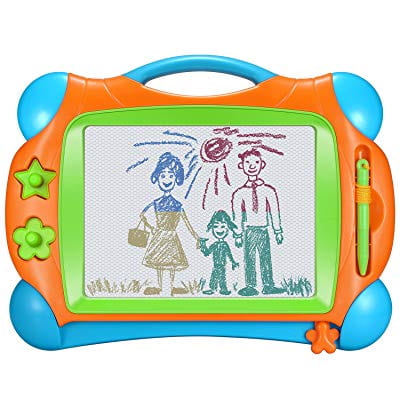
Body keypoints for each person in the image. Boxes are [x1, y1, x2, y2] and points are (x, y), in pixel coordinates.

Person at [139, 152, 200, 296]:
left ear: (176, 178)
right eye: (163, 175)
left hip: (171, 237)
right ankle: (159, 286)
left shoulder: (177, 205)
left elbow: (187, 223)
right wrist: (151, 228)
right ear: (157, 177)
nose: (167, 179)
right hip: (160, 236)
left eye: (171, 176)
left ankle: (171, 286)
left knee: (172, 263)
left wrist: (197, 237)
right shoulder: (156, 203)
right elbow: (142, 214)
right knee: (159, 263)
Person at [231, 148, 284, 296]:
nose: (252, 166)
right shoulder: (239, 193)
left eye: (256, 162)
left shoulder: (268, 190)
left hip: (263, 230)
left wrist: (278, 230)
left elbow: (274, 211)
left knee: (265, 257)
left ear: (262, 164)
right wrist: (237, 234)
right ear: (241, 166)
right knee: (249, 259)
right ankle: (250, 286)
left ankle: (268, 285)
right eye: (247, 162)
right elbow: (237, 216)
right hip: (248, 231)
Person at [200, 210, 239, 295]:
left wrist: (233, 262)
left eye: (223, 226)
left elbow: (229, 255)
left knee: (222, 278)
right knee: (214, 277)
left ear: (228, 228)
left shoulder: (225, 245)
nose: (219, 230)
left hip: (222, 266)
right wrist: (203, 245)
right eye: (216, 226)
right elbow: (207, 253)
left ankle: (223, 289)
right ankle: (213, 289)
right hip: (216, 265)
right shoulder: (214, 245)